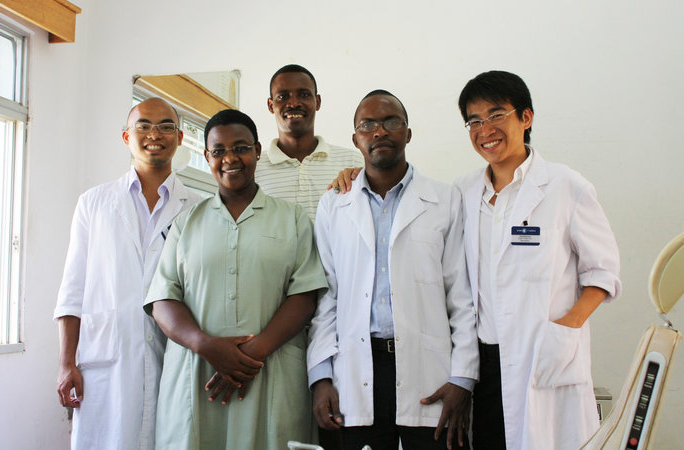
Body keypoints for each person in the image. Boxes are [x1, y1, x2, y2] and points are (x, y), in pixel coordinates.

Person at [455, 70, 621, 450]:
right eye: (474, 120)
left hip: (542, 354)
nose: (485, 129)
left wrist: (566, 328)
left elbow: (604, 271)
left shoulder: (566, 187)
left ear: (525, 118)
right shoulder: (463, 192)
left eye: (496, 115)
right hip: (483, 364)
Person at [144, 109, 328, 449]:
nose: (230, 158)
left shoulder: (292, 218)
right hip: (198, 375)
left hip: (270, 373)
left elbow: (304, 295)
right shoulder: (187, 223)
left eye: (241, 148)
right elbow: (162, 299)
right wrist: (206, 345)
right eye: (219, 151)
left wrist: (248, 356)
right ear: (207, 156)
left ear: (257, 151)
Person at [307, 90, 478, 450]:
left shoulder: (445, 200)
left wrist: (463, 377)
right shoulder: (334, 205)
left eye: (390, 122)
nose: (379, 132)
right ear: (356, 139)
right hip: (356, 371)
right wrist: (321, 376)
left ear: (408, 133)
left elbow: (460, 296)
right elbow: (326, 297)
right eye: (368, 125)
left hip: (428, 372)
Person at [54, 97, 203, 449]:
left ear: (180, 138)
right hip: (106, 360)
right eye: (144, 126)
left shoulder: (198, 208)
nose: (155, 134)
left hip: (174, 357)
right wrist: (65, 363)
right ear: (126, 137)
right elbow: (72, 290)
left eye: (167, 126)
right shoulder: (94, 203)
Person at [256, 64, 364, 220]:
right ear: (271, 105)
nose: (293, 103)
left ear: (318, 101)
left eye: (304, 95)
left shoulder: (352, 162)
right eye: (282, 96)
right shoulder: (255, 170)